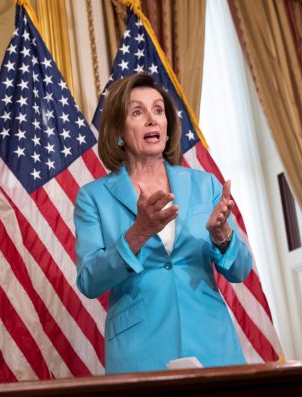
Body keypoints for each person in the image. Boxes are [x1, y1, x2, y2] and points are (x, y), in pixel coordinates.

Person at [74, 73, 253, 374]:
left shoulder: (204, 185)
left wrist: (223, 237)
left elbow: (241, 270)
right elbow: (89, 281)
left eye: (158, 110)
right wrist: (138, 234)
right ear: (118, 132)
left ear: (168, 128)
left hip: (211, 342)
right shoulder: (94, 198)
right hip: (140, 351)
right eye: (137, 112)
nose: (151, 120)